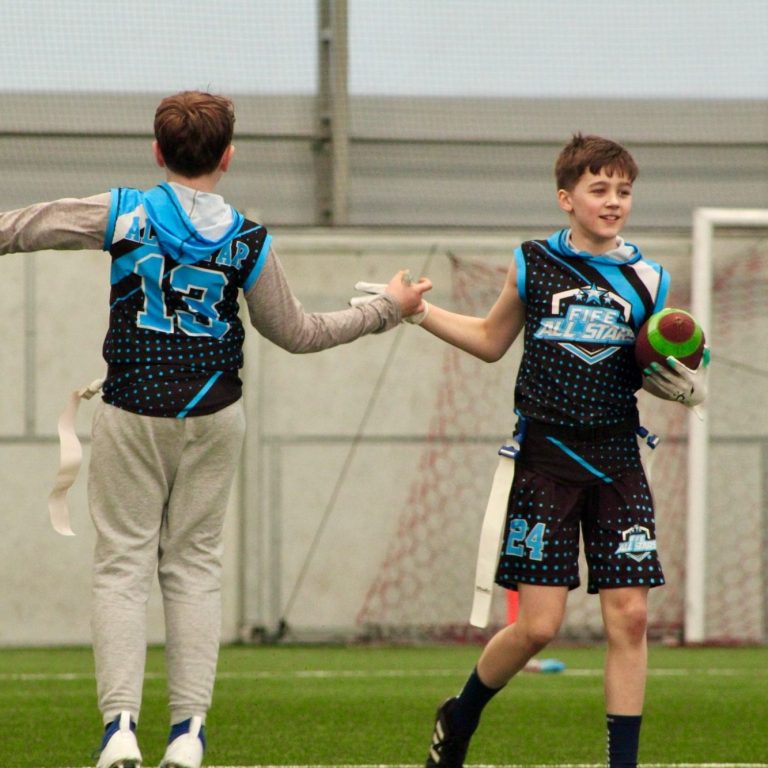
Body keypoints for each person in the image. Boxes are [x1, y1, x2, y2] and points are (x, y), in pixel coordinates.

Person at [0, 90, 431, 768]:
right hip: (214, 414)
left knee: (122, 568)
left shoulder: (122, 211)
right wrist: (388, 308)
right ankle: (188, 736)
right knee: (194, 569)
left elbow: (24, 226)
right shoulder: (248, 241)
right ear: (228, 156)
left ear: (156, 151)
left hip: (133, 408)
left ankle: (119, 730)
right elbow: (298, 332)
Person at [415, 133, 708, 768]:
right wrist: (419, 313)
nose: (613, 201)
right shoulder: (531, 261)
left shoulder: (649, 277)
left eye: (623, 191)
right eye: (598, 189)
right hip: (545, 460)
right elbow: (493, 340)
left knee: (629, 618)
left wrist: (687, 375)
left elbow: (668, 357)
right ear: (565, 198)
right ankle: (459, 715)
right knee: (538, 626)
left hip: (617, 461)